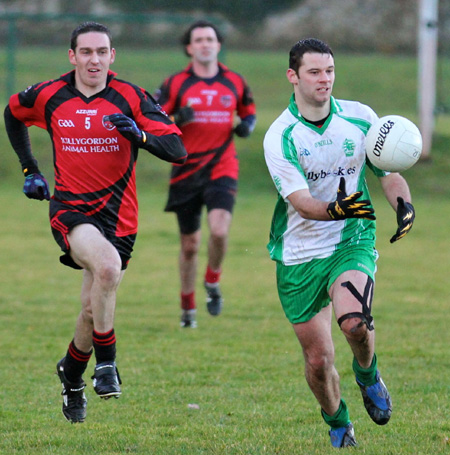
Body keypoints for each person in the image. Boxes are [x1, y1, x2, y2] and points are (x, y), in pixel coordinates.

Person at [3, 21, 187, 424]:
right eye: (85, 52)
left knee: (91, 307)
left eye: (101, 52)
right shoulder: (50, 94)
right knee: (106, 267)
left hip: (120, 218)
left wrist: (140, 136)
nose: (94, 59)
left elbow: (177, 149)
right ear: (72, 56)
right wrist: (30, 169)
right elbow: (12, 112)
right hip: (69, 210)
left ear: (112, 56)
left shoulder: (130, 97)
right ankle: (107, 363)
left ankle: (71, 374)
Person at [263, 38, 415, 448]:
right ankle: (338, 420)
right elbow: (301, 203)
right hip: (299, 254)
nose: (324, 79)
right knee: (317, 361)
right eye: (314, 72)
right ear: (293, 76)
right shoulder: (281, 136)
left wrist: (404, 204)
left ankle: (368, 375)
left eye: (329, 71)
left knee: (354, 323)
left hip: (352, 238)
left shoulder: (361, 117)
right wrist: (336, 207)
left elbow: (388, 169)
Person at [155, 20, 256, 328]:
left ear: (218, 45)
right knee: (189, 245)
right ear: (189, 47)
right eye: (198, 40)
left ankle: (212, 280)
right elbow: (152, 117)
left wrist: (247, 125)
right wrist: (175, 118)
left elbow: (248, 109)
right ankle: (188, 308)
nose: (204, 44)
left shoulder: (234, 81)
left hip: (222, 166)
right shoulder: (175, 83)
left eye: (210, 39)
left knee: (220, 231)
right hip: (185, 171)